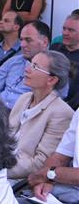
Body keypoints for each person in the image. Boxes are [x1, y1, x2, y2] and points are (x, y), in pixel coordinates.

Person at [6, 50, 73, 180]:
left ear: (51, 80)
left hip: (21, 178)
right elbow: (4, 139)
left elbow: (40, 164)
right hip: (0, 165)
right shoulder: (24, 98)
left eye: (35, 67)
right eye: (30, 64)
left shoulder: (62, 113)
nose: (27, 69)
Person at [0, 20, 57, 109]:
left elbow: (57, 97)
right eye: (21, 40)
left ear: (44, 42)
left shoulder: (53, 67)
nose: (22, 45)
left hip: (25, 113)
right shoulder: (13, 61)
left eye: (28, 40)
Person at [52, 12, 79, 109]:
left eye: (71, 30)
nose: (65, 33)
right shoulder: (54, 49)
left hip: (70, 107)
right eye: (64, 29)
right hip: (46, 101)